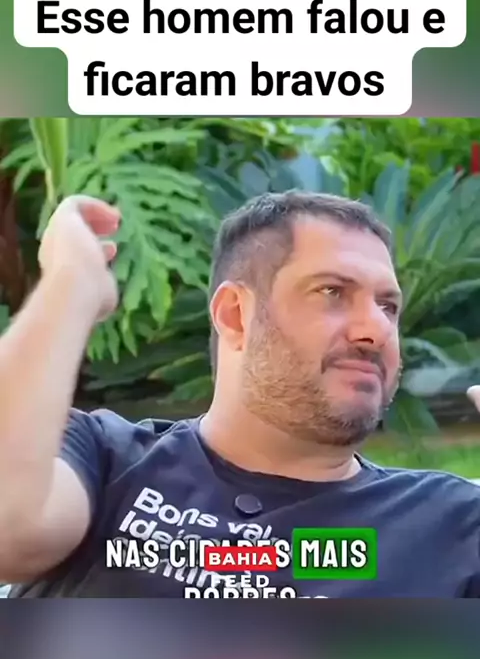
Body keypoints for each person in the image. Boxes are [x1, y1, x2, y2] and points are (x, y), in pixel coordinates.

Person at [1, 191, 479, 598]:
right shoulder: (104, 461)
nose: (375, 330)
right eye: (332, 292)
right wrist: (72, 283)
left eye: (387, 306)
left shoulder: (449, 523)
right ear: (234, 314)